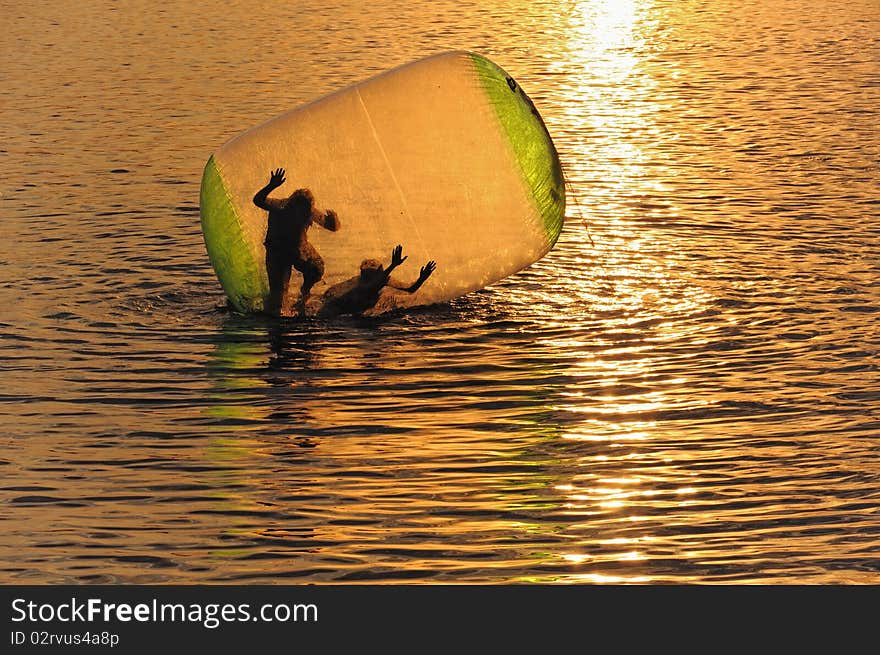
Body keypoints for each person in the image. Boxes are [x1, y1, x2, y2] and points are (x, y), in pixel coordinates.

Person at [253, 168, 340, 316]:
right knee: (278, 297)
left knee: (317, 268)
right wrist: (271, 186)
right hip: (277, 251)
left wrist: (334, 219)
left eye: (307, 211)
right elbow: (258, 200)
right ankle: (276, 310)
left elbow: (331, 226)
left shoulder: (309, 210)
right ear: (292, 205)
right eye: (301, 211)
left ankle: (305, 290)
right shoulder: (279, 206)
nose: (305, 215)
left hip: (299, 248)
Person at [317, 245, 436, 318]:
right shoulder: (362, 284)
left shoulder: (383, 279)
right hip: (333, 312)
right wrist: (393, 265)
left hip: (345, 313)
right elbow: (372, 286)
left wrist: (422, 278)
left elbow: (411, 289)